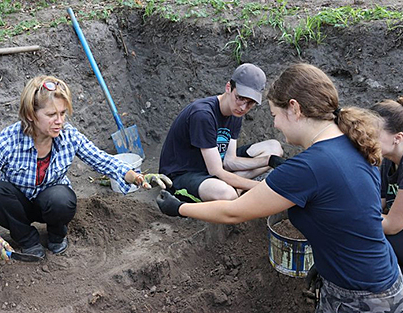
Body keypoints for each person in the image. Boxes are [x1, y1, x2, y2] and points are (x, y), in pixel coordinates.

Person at [157, 63, 403, 312]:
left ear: (294, 108)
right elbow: (355, 217)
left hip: (360, 298)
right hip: (379, 280)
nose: (275, 125)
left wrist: (180, 208)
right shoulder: (355, 142)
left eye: (275, 115)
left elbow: (234, 211)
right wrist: (328, 263)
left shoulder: (310, 166)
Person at [0, 75, 171, 261]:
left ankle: (56, 234)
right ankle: (27, 239)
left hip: (52, 204)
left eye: (63, 113)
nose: (59, 121)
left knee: (61, 197)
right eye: (51, 114)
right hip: (20, 206)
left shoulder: (69, 136)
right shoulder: (8, 141)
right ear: (30, 115)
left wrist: (137, 177)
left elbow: (102, 160)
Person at [159, 63, 283, 202]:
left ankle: (236, 187)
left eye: (250, 103)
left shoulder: (235, 113)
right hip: (183, 174)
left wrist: (269, 160)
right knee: (227, 194)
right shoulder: (203, 115)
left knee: (274, 148)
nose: (243, 107)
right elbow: (216, 171)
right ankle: (234, 188)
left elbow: (229, 161)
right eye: (240, 97)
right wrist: (260, 187)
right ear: (228, 87)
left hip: (214, 166)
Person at [371, 98, 403, 267]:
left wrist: (352, 217)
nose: (367, 139)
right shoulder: (388, 161)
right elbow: (379, 203)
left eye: (374, 135)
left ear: (397, 138)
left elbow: (393, 225)